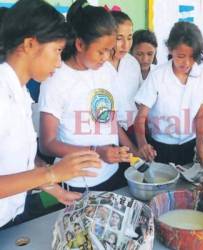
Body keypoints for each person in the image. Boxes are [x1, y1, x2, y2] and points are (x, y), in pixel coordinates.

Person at [0, 0, 101, 229]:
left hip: (14, 215)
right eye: (56, 51)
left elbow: (20, 160)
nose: (58, 63)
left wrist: (55, 189)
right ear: (29, 44)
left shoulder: (21, 91)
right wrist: (52, 174)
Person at [38, 0, 139, 193]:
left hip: (112, 172)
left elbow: (109, 120)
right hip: (78, 181)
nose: (106, 57)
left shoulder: (106, 71)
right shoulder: (55, 78)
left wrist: (133, 151)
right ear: (80, 44)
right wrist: (96, 152)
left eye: (110, 50)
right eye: (101, 51)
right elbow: (47, 144)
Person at [134, 21, 203, 166]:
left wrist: (200, 145)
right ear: (170, 50)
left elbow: (201, 114)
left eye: (192, 57)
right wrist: (142, 144)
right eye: (180, 56)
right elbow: (140, 117)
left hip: (190, 143)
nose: (186, 63)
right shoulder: (158, 76)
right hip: (161, 146)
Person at [108, 11, 141, 140]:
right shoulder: (98, 66)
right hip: (106, 134)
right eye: (119, 38)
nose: (126, 45)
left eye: (129, 37)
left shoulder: (132, 63)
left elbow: (138, 100)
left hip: (132, 129)